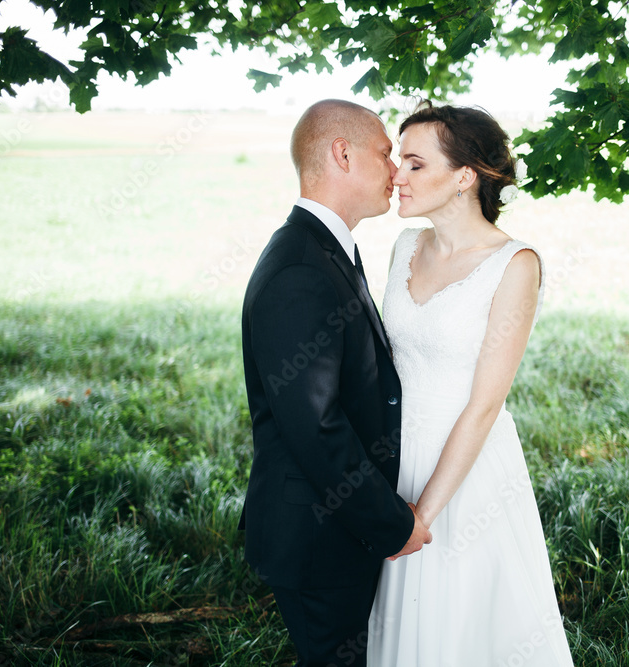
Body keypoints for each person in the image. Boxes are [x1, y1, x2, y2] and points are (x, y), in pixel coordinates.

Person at [367, 102, 575, 666]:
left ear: (464, 177)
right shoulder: (404, 248)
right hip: (395, 449)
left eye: (413, 164)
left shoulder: (515, 264)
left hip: (466, 464)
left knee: (458, 619)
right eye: (396, 161)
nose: (396, 176)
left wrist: (422, 516)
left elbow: (485, 405)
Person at [237, 99, 432, 667]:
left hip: (332, 529)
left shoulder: (326, 250)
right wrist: (393, 526)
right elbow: (316, 429)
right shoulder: (302, 269)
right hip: (318, 537)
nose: (396, 171)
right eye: (385, 154)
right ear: (342, 154)